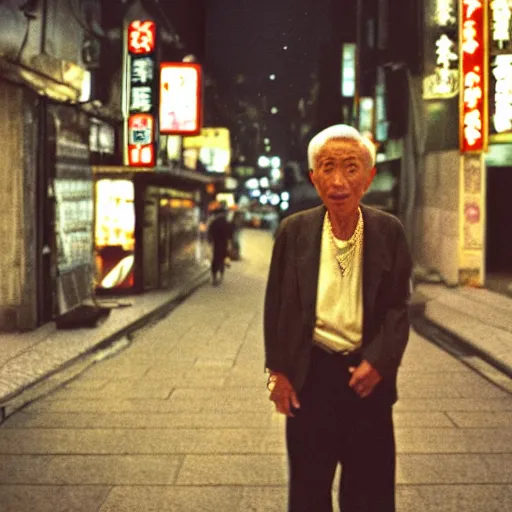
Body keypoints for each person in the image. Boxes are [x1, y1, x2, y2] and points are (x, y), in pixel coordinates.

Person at [264, 124, 412, 512]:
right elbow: (276, 306)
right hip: (310, 377)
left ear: (369, 176)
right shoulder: (294, 231)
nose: (339, 181)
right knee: (309, 491)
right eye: (327, 168)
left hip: (367, 377)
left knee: (370, 493)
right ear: (314, 178)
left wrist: (379, 362)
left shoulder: (388, 230)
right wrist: (277, 373)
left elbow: (399, 306)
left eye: (350, 167)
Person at [207, 205, 232, 285]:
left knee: (215, 259)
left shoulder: (214, 222)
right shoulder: (226, 222)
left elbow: (210, 232)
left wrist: (210, 241)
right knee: (222, 259)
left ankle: (214, 277)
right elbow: (230, 234)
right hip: (224, 243)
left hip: (216, 243)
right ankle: (221, 276)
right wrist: (229, 243)